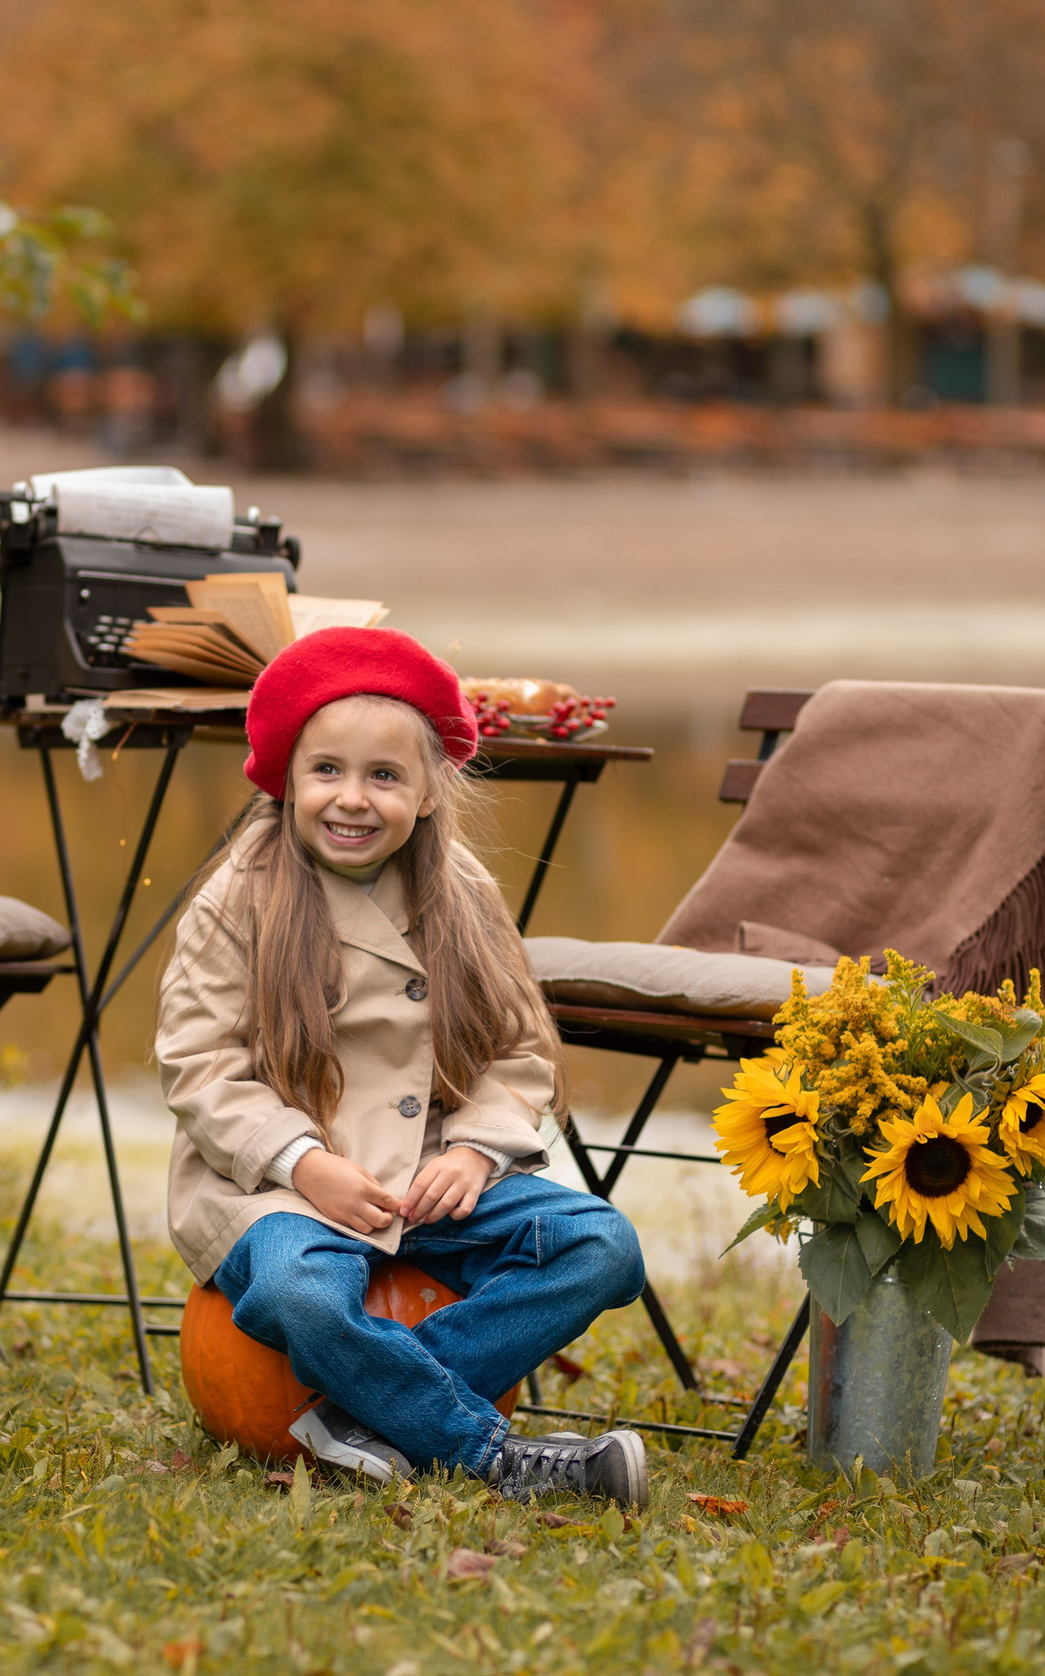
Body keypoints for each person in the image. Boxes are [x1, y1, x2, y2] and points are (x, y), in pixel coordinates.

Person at [156, 626, 650, 1505]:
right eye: (327, 771)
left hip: (424, 1172)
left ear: (427, 793)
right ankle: (488, 1454)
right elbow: (199, 1065)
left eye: (384, 776)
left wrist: (475, 1151)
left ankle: (364, 1414)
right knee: (301, 1297)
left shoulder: (460, 891)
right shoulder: (239, 894)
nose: (352, 798)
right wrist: (304, 1163)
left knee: (601, 1246)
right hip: (278, 1185)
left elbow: (517, 1047)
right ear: (286, 777)